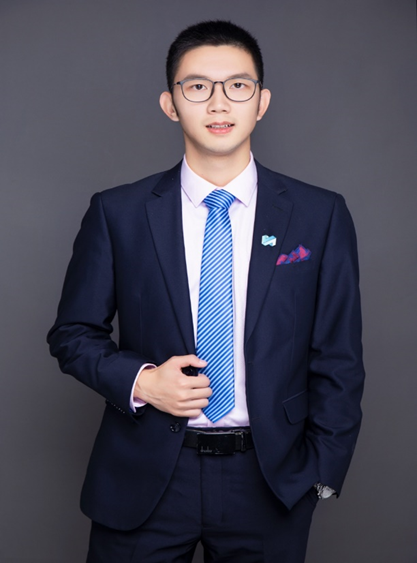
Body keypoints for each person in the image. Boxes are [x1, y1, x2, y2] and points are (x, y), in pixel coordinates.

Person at [48, 20, 365, 563]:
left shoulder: (320, 214)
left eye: (238, 85)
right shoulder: (118, 212)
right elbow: (72, 334)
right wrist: (144, 382)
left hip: (270, 481)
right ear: (170, 104)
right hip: (144, 474)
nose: (219, 103)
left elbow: (339, 355)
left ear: (262, 101)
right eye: (197, 86)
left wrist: (321, 475)